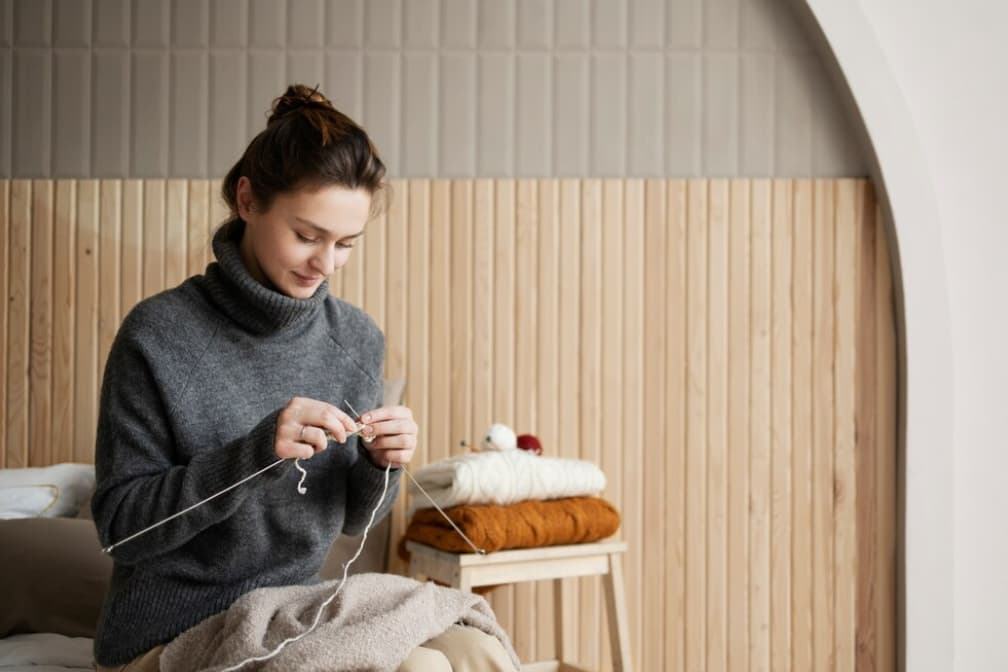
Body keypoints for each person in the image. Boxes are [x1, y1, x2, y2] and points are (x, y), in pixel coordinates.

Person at [91, 84, 515, 672]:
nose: (325, 264)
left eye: (345, 244)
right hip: (171, 632)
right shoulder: (157, 335)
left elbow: (352, 522)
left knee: (476, 650)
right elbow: (120, 530)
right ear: (247, 200)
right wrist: (253, 453)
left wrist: (379, 465)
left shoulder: (357, 338)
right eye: (307, 235)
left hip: (292, 613)